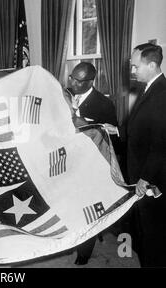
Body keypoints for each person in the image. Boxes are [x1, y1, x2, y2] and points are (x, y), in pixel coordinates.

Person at [104, 43, 166, 267]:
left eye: (135, 66)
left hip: (151, 178)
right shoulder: (147, 87)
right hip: (140, 173)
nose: (132, 71)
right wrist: (118, 130)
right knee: (142, 230)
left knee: (153, 233)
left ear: (152, 65)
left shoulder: (162, 94)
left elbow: (160, 144)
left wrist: (145, 177)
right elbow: (142, 125)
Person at [65, 62, 118, 265]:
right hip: (69, 162)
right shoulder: (66, 95)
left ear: (90, 82)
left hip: (91, 166)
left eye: (79, 81)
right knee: (71, 206)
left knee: (88, 209)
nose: (73, 83)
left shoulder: (104, 105)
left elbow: (112, 142)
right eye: (72, 78)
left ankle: (84, 253)